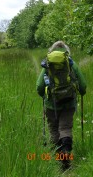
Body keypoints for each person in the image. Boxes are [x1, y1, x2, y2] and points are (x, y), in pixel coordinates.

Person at [36, 41, 87, 170]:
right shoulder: (70, 63)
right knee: (65, 128)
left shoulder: (47, 64)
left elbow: (39, 86)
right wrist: (81, 92)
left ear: (51, 51)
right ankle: (66, 157)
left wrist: (43, 96)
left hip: (51, 105)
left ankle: (56, 160)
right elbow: (83, 85)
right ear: (66, 51)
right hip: (68, 103)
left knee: (53, 130)